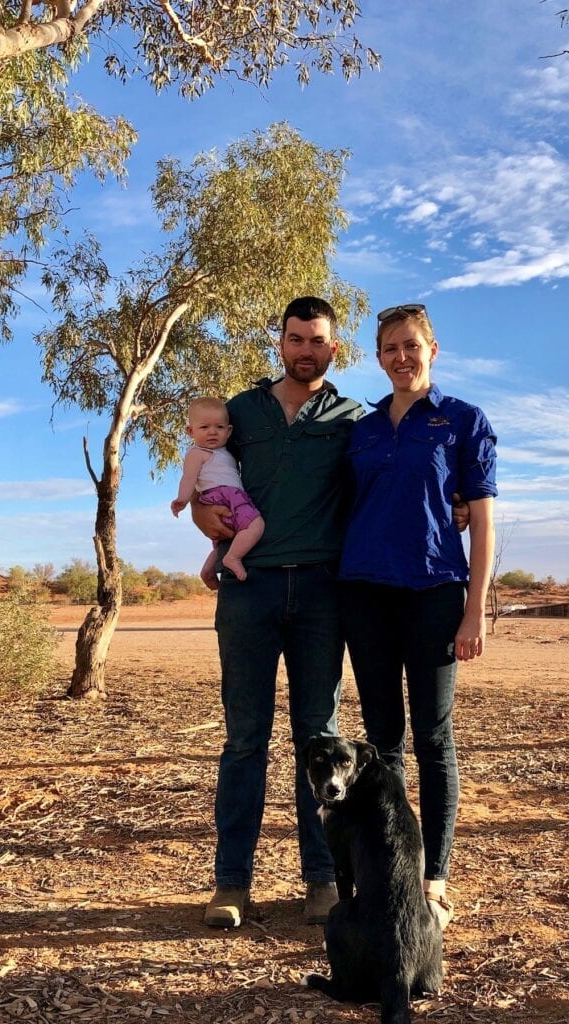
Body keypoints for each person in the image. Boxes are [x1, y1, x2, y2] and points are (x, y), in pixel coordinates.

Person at [191, 297, 364, 929]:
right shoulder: (239, 412)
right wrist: (207, 521)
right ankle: (231, 884)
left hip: (322, 593)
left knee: (317, 739)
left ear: (332, 349)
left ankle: (322, 881)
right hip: (250, 591)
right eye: (295, 339)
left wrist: (456, 501)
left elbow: (393, 478)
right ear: (281, 341)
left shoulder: (351, 417)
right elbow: (210, 477)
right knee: (244, 739)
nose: (304, 350)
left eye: (316, 341)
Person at [338, 302, 497, 930]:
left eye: (412, 346)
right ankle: (392, 871)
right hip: (365, 592)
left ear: (433, 349)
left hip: (435, 591)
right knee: (382, 742)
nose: (401, 358)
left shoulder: (462, 421)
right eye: (389, 350)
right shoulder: (363, 426)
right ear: (378, 358)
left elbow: (480, 519)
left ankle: (433, 879)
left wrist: (475, 609)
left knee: (433, 738)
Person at [171, 397, 265, 585]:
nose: (212, 432)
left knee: (226, 537)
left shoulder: (225, 452)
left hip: (229, 496)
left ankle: (214, 564)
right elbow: (189, 478)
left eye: (219, 427)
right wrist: (183, 499)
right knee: (256, 526)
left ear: (229, 431)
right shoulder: (197, 453)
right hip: (224, 496)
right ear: (190, 431)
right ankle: (232, 558)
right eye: (204, 427)